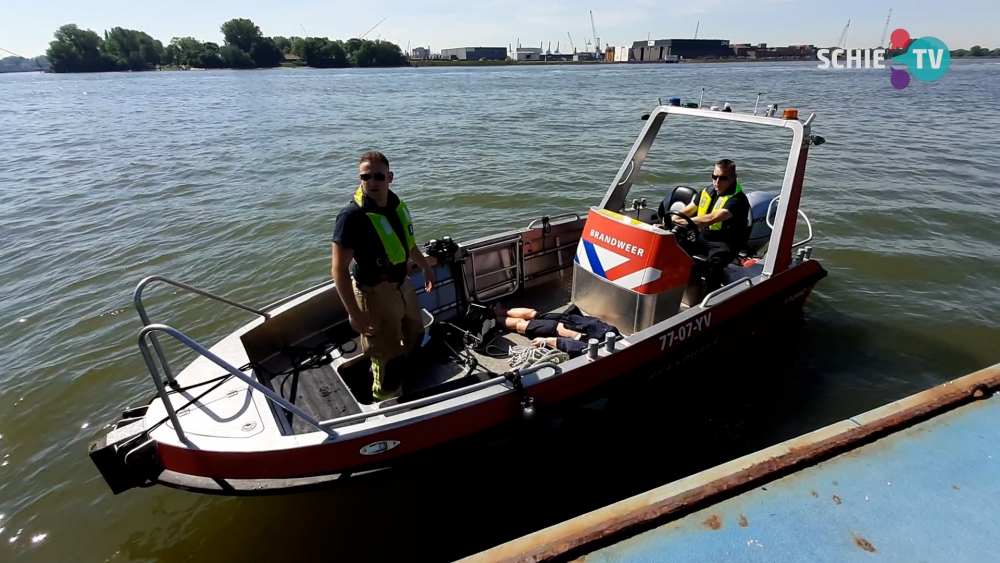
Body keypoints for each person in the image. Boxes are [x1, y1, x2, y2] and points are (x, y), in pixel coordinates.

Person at [332, 152, 436, 400]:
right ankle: (385, 399)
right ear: (360, 179)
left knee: (416, 332)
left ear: (390, 177)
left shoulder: (396, 207)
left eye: (378, 176)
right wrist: (354, 313)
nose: (372, 181)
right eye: (365, 176)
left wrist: (426, 267)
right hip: (374, 293)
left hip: (402, 285)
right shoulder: (351, 217)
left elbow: (408, 244)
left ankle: (402, 375)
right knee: (385, 354)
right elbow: (338, 270)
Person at [669, 159, 752, 287]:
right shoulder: (707, 191)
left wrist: (684, 221)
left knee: (713, 267)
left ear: (733, 177)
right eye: (714, 177)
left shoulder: (738, 200)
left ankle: (710, 298)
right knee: (673, 247)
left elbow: (712, 218)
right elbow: (690, 208)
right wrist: (673, 217)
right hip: (703, 235)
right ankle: (675, 285)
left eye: (722, 178)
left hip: (724, 242)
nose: (717, 182)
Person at [493, 304, 619, 357]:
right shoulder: (597, 348)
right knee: (520, 325)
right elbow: (571, 345)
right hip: (556, 328)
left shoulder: (609, 332)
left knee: (533, 314)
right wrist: (546, 340)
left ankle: (498, 312)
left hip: (567, 320)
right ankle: (493, 318)